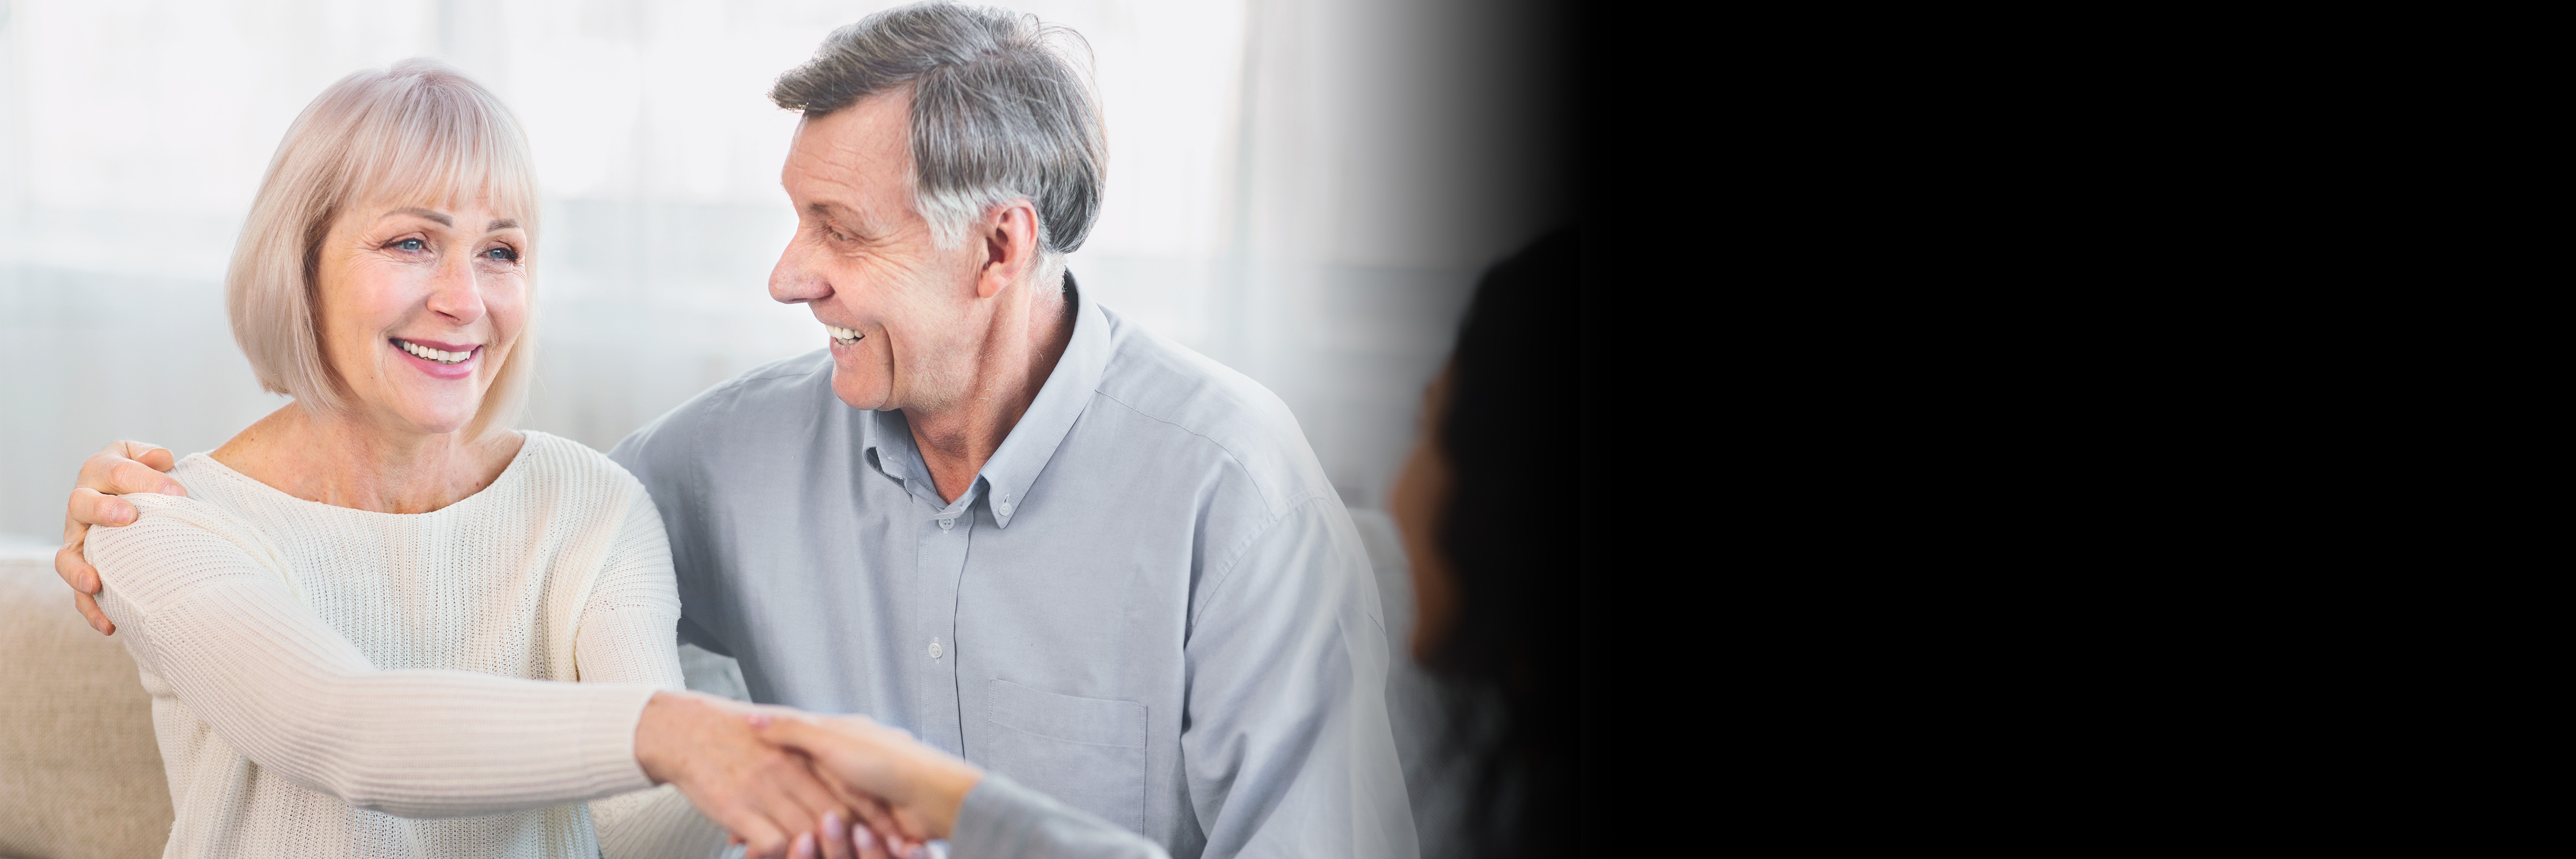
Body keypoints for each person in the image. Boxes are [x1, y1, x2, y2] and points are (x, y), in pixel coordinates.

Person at [56, 5, 1414, 858]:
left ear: (998, 249)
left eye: (840, 231)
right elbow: (405, 709)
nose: (784, 278)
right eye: (412, 242)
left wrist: (795, 791)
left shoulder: (1231, 489)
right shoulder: (701, 465)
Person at [59, 60, 877, 859]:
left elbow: (635, 825)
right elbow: (344, 730)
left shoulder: (591, 505)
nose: (465, 300)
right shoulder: (155, 520)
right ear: (299, 265)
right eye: (412, 242)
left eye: (501, 252)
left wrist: (779, 788)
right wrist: (684, 734)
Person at [708, 230, 1582, 859]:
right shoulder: (727, 449)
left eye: (1429, 433)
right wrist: (941, 803)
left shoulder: (1228, 479)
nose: (1396, 491)